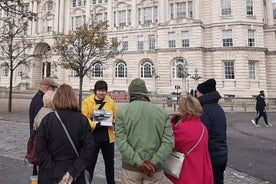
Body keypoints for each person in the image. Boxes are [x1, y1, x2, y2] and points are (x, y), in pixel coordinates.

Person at [115, 78, 174, 184]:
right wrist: (153, 162)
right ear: (146, 93)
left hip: (131, 167)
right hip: (154, 168)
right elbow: (169, 142)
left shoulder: (123, 112)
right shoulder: (161, 112)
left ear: (130, 94)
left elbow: (121, 141)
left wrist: (140, 163)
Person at [36, 84, 95, 184]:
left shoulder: (47, 120)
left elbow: (41, 151)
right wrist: (72, 173)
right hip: (75, 175)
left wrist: (58, 175)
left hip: (50, 174)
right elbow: (88, 149)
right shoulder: (82, 120)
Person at [165, 96, 213, 184]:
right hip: (202, 169)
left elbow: (170, 144)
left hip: (188, 171)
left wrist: (172, 124)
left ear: (185, 111)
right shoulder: (203, 128)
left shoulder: (183, 128)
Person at [81, 80, 118, 184]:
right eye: (99, 90)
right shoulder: (87, 102)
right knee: (90, 164)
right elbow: (84, 117)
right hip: (93, 137)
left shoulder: (110, 102)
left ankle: (111, 182)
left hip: (108, 137)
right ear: (95, 91)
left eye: (103, 91)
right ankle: (87, 182)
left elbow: (116, 115)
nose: (101, 93)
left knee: (110, 163)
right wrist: (94, 124)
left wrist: (113, 122)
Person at [196, 78, 228, 184]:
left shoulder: (204, 111)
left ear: (202, 94)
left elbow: (202, 136)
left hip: (211, 156)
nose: (196, 94)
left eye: (198, 92)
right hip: (221, 154)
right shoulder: (218, 108)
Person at [29, 77, 58, 176]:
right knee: (43, 169)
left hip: (39, 139)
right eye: (53, 89)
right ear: (47, 88)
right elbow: (41, 123)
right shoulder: (40, 100)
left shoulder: (38, 97)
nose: (54, 91)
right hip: (41, 139)